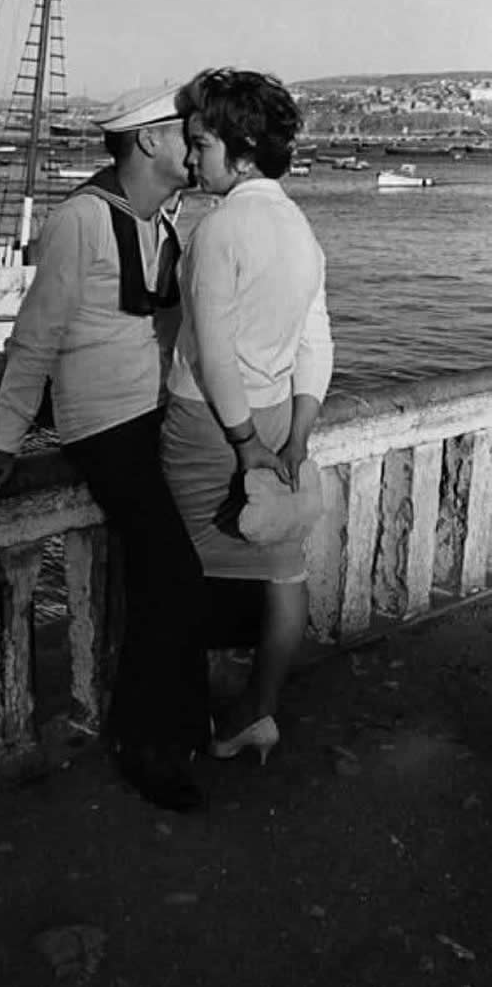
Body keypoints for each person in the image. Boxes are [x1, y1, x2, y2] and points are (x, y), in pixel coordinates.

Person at [0, 85, 211, 812]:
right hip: (105, 426)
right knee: (175, 577)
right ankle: (145, 741)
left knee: (166, 579)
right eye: (185, 133)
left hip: (155, 414)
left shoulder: (164, 216)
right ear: (149, 141)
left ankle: (174, 723)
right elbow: (36, 334)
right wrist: (4, 440)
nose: (196, 145)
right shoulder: (82, 220)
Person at [161, 68, 334, 765]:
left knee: (182, 573)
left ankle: (182, 722)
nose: (191, 158)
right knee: (284, 573)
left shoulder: (220, 229)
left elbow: (214, 351)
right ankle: (257, 711)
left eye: (201, 144)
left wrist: (242, 444)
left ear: (241, 151)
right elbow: (316, 343)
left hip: (210, 426)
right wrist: (295, 436)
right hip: (278, 418)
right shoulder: (299, 229)